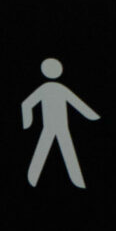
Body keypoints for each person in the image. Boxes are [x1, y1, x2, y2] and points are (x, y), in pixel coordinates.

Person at [21, 57, 97, 189]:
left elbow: (77, 104)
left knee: (66, 150)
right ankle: (33, 178)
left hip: (62, 126)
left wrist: (91, 116)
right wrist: (27, 123)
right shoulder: (47, 88)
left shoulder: (58, 88)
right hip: (50, 126)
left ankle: (77, 181)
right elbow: (26, 104)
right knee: (46, 149)